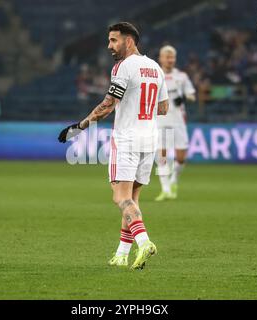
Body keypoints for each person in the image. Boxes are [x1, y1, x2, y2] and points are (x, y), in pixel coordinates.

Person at [58, 22, 169, 270]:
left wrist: (79, 127)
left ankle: (144, 242)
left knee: (120, 197)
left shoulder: (123, 67)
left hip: (127, 139)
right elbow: (163, 108)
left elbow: (108, 104)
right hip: (149, 140)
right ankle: (121, 254)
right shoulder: (155, 68)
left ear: (129, 41)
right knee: (132, 199)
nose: (109, 46)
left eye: (113, 40)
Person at [155, 45, 196, 201]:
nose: (169, 60)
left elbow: (192, 95)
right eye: (167, 57)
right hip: (160, 120)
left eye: (172, 57)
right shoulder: (155, 75)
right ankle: (165, 189)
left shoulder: (182, 76)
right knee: (162, 156)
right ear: (161, 58)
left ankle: (173, 181)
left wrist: (184, 98)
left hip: (178, 120)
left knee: (181, 158)